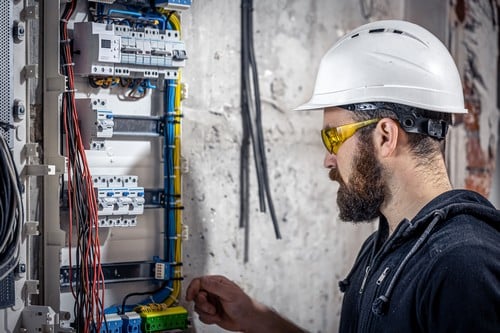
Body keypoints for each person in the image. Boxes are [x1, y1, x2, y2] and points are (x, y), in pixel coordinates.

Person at [186, 20, 500, 332]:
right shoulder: (386, 247)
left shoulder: (464, 266)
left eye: (333, 139)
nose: (328, 159)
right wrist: (256, 319)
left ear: (385, 137)